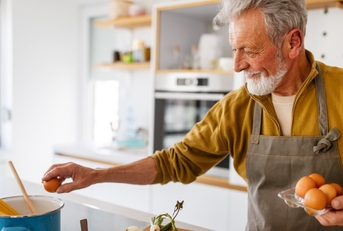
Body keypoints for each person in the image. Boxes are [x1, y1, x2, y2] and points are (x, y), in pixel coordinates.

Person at [43, 0, 343, 229]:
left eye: (249, 51)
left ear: (292, 42)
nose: (237, 65)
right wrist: (96, 175)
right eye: (233, 50)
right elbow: (176, 161)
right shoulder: (237, 107)